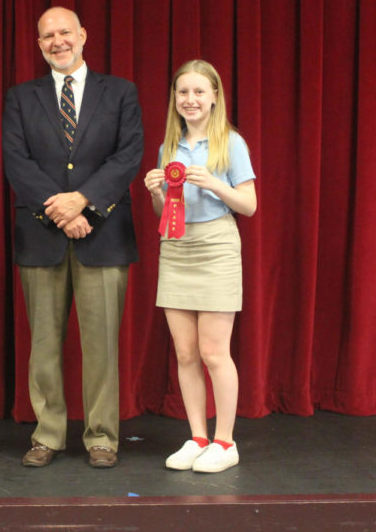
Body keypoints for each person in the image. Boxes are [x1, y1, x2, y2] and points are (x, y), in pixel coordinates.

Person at [2, 7, 144, 468]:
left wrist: (82, 201)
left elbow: (128, 156)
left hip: (102, 232)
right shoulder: (21, 98)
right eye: (47, 35)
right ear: (38, 43)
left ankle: (102, 437)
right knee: (44, 342)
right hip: (42, 236)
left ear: (83, 35)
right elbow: (17, 162)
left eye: (65, 32)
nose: (57, 41)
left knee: (102, 343)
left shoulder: (120, 92)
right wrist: (61, 212)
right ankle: (48, 434)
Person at [143, 59, 256, 473]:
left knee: (213, 352)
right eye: (182, 93)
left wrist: (213, 183)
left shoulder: (231, 143)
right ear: (174, 100)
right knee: (186, 352)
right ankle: (197, 437)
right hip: (175, 248)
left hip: (216, 247)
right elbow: (165, 212)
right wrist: (156, 192)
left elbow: (249, 205)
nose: (190, 100)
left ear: (214, 98)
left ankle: (226, 442)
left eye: (198, 92)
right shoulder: (168, 146)